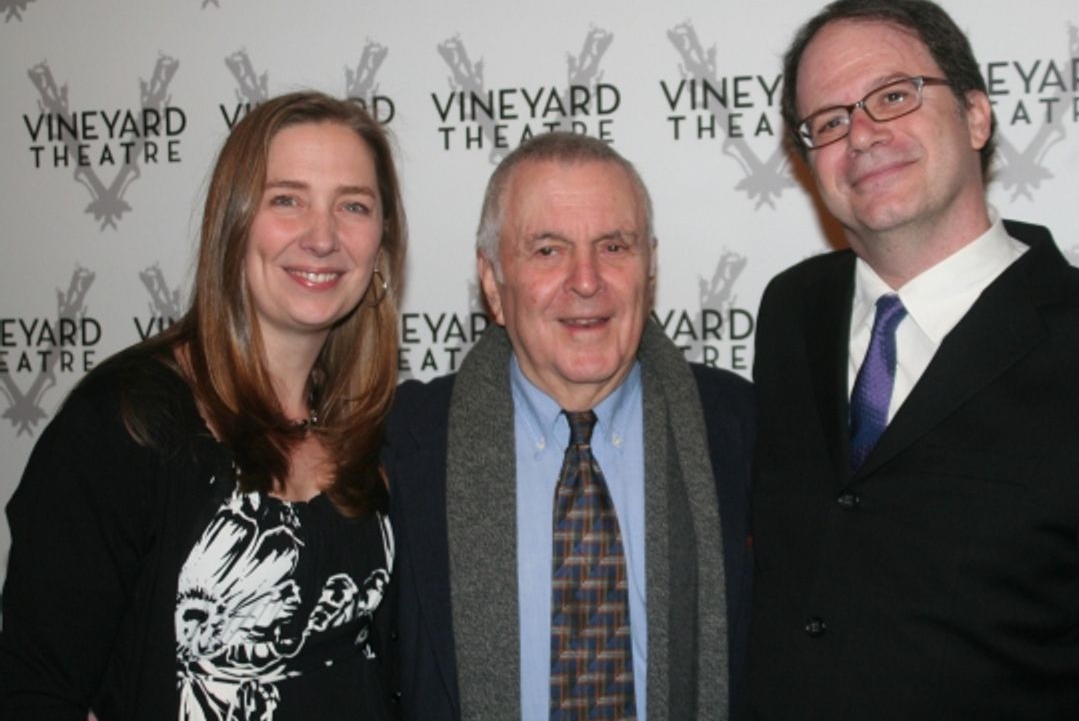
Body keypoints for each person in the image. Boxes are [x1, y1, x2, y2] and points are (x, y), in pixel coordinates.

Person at [749, 0, 1079, 719]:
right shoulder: (792, 311)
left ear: (976, 115)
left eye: (893, 96)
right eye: (827, 121)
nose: (860, 134)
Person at [0, 91, 407, 720]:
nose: (322, 237)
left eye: (353, 205)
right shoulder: (125, 423)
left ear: (381, 243)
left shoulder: (373, 430)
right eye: (286, 199)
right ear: (233, 223)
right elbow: (36, 691)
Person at [375, 131, 754, 720]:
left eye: (614, 246)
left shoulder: (743, 432)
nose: (585, 279)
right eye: (547, 250)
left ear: (649, 269)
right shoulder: (401, 447)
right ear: (494, 284)